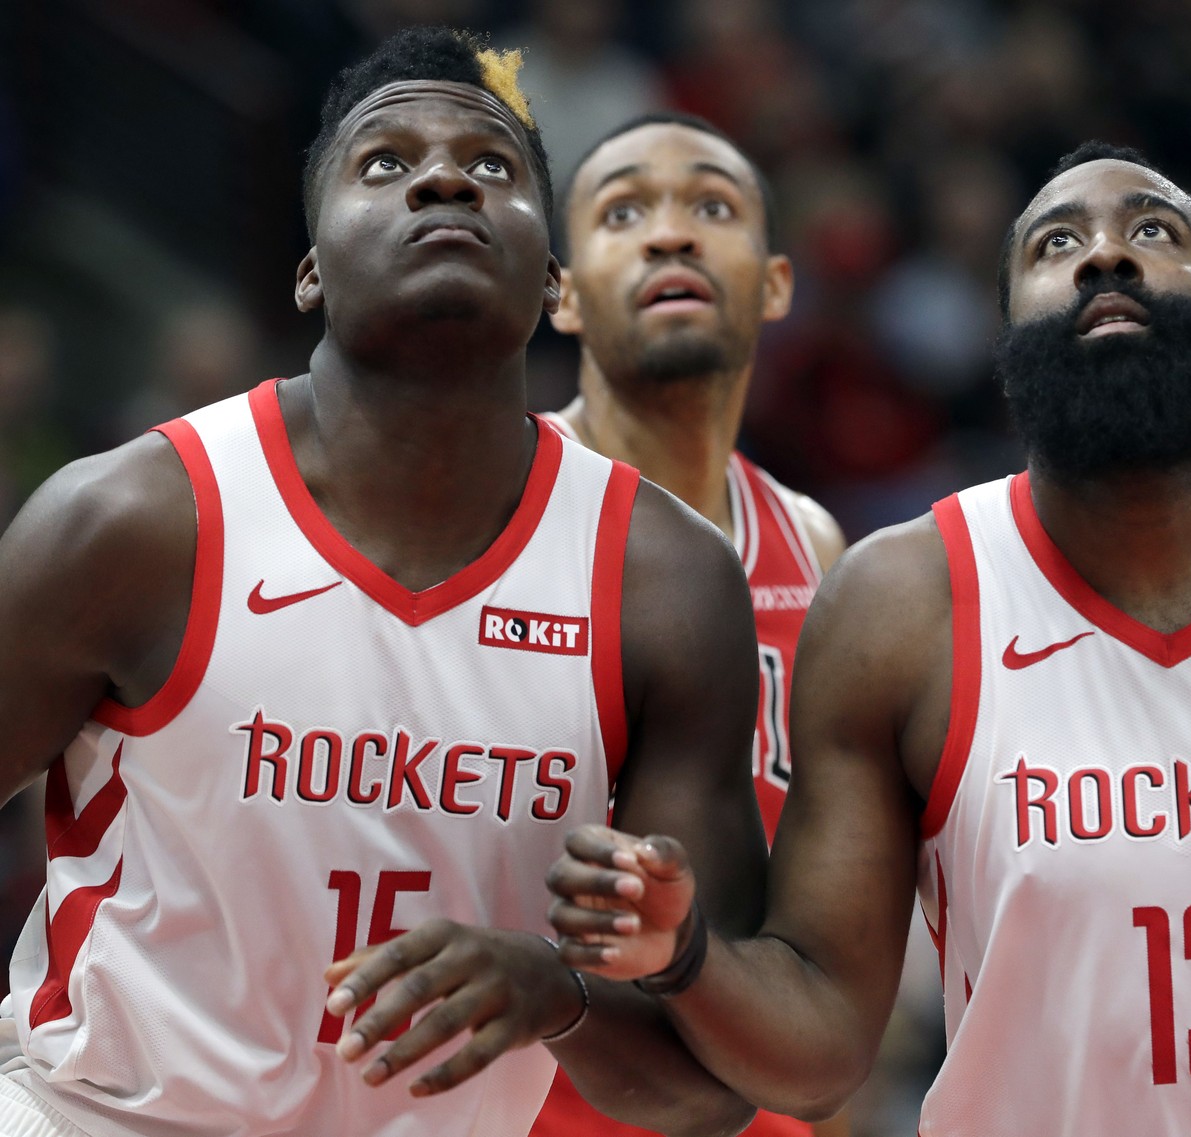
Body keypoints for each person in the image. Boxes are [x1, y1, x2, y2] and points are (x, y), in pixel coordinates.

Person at [548, 140, 1191, 1136]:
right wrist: (686, 956)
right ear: (1010, 354)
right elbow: (822, 1061)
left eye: (1154, 230)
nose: (1107, 255)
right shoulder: (901, 605)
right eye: (1056, 244)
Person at [0, 27, 766, 1137]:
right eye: (385, 163)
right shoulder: (135, 518)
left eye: (492, 166)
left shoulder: (667, 582)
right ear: (310, 269)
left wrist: (560, 996)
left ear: (554, 283)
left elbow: (708, 1090)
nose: (446, 175)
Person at [526, 113, 844, 1137]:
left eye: (713, 206)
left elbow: (829, 922)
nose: (672, 235)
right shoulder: (501, 506)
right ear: (561, 294)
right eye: (623, 213)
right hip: (519, 1099)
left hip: (742, 1103)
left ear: (778, 282)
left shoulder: (812, 543)